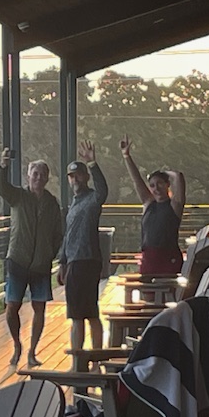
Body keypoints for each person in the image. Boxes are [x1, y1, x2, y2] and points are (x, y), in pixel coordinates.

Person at [0, 147, 63, 366]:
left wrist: (50, 253)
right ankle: (17, 344)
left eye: (43, 175)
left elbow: (58, 233)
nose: (39, 178)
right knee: (12, 307)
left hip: (41, 265)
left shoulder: (52, 203)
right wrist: (4, 165)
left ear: (47, 178)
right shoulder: (18, 196)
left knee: (40, 308)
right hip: (18, 259)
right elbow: (1, 187)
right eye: (35, 174)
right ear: (28, 176)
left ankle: (32, 351)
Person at [58, 140, 109, 355]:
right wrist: (62, 262)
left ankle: (94, 357)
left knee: (87, 313)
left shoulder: (92, 199)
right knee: (76, 315)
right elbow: (68, 235)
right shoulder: (74, 205)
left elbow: (103, 190)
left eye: (78, 175)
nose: (75, 179)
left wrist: (92, 164)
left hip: (87, 261)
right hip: (73, 262)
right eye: (71, 176)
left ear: (85, 177)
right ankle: (78, 359)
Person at [121, 134, 185, 275]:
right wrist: (126, 156)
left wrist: (166, 172)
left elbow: (179, 177)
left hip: (169, 259)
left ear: (167, 184)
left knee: (167, 289)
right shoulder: (149, 204)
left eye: (160, 184)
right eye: (152, 185)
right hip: (149, 259)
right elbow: (137, 181)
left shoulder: (174, 205)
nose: (156, 188)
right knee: (146, 288)